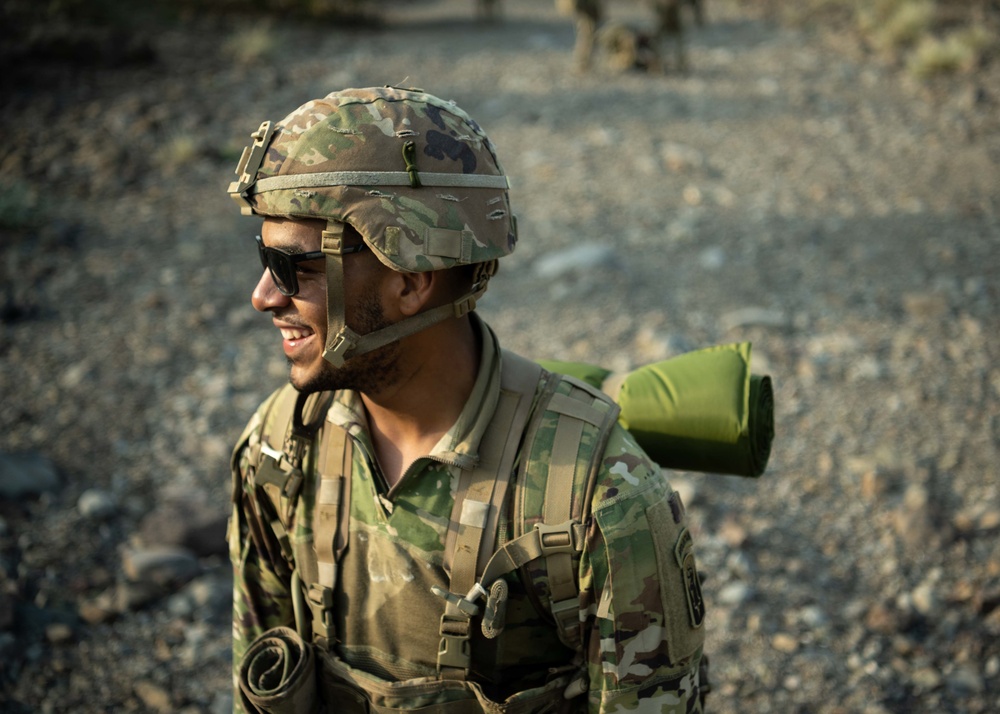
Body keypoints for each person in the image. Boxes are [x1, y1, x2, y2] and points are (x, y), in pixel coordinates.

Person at [226, 86, 707, 713]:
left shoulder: (600, 504)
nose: (263, 296)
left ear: (409, 282)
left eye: (294, 268)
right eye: (264, 259)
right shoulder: (282, 445)